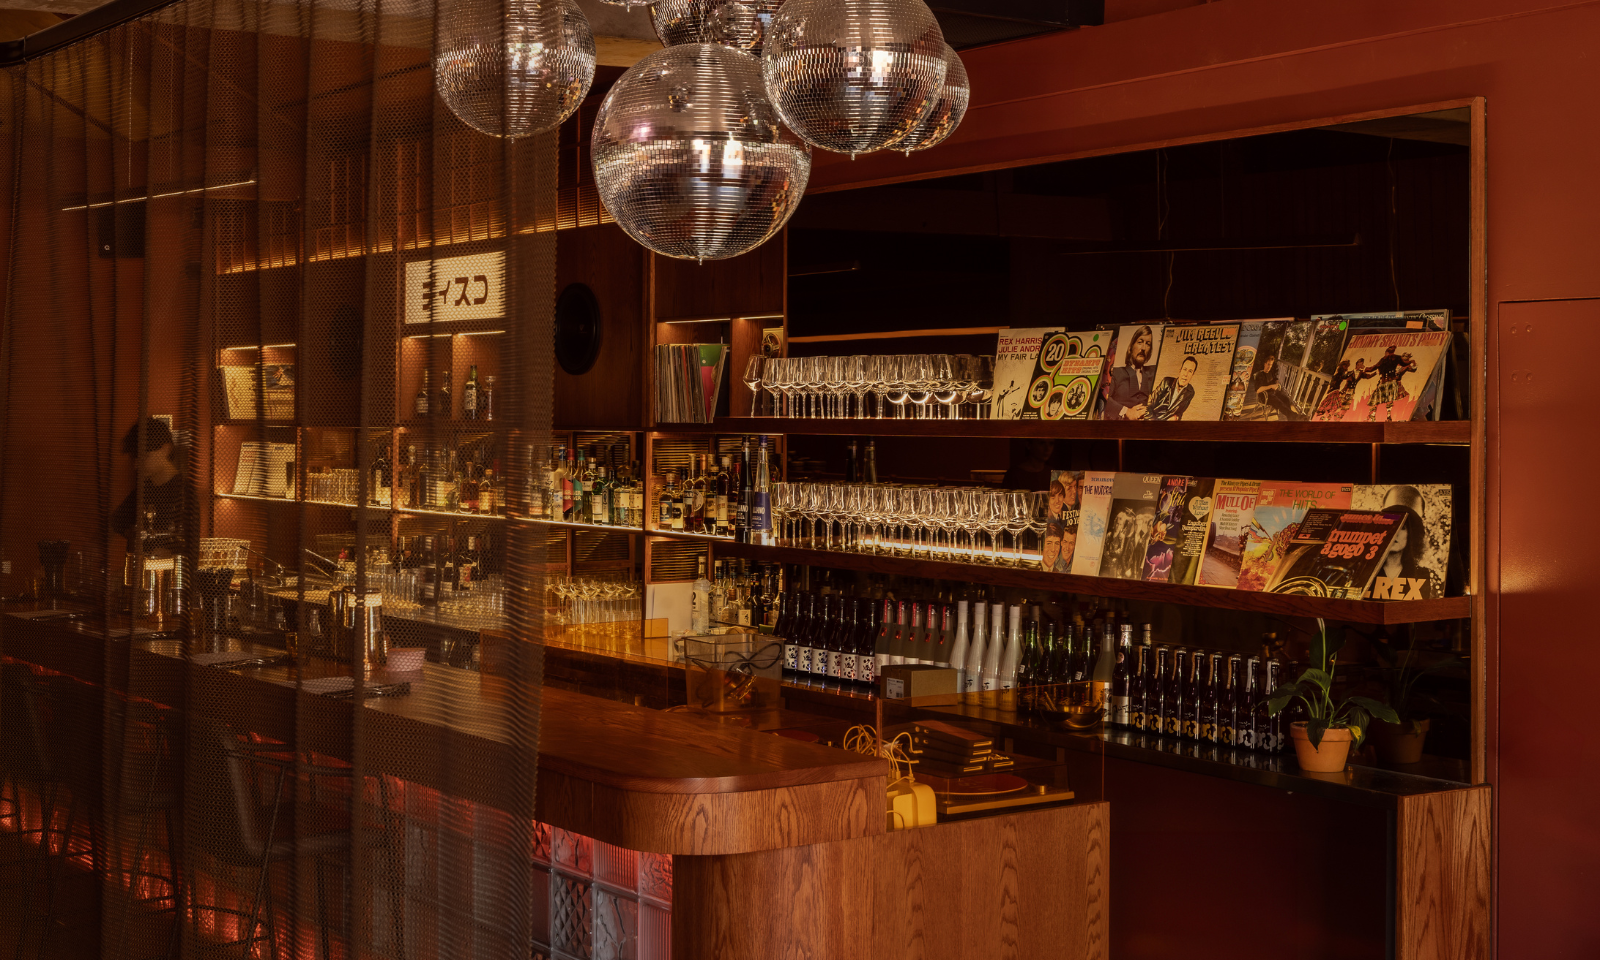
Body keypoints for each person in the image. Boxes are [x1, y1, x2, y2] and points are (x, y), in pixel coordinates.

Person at [112, 417, 185, 554]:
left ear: (165, 449)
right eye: (135, 458)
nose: (136, 465)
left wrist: (167, 552)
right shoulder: (144, 490)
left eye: (145, 456)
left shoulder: (183, 492)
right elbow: (116, 521)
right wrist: (133, 535)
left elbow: (189, 545)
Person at [1104, 325, 1157, 420]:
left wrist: (1151, 410)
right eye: (1140, 342)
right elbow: (1107, 399)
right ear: (1131, 346)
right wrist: (1126, 412)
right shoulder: (1117, 372)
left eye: (1148, 344)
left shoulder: (1154, 372)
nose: (1143, 348)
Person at [1364, 345, 1418, 422]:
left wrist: (1412, 363)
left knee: (1386, 399)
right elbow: (1373, 368)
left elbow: (1373, 368)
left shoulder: (1393, 359)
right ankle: (1373, 416)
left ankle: (1387, 417)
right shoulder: (1388, 359)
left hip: (1390, 382)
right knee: (1377, 399)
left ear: (1387, 352)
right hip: (1385, 382)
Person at [1145, 355, 1199, 421]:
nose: (1186, 374)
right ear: (1180, 370)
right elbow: (1148, 403)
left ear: (1193, 374)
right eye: (1185, 369)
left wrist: (1176, 418)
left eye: (1190, 371)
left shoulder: (1190, 392)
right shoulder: (1166, 382)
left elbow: (1180, 412)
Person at [1252, 351, 1300, 420]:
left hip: (1273, 393)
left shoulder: (1271, 373)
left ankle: (1291, 418)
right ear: (1264, 364)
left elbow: (1275, 379)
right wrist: (1271, 386)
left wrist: (1276, 383)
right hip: (1265, 396)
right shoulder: (1260, 375)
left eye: (1271, 365)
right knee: (1279, 403)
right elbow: (1258, 390)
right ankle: (1295, 416)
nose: (1269, 366)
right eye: (1268, 364)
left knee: (1286, 399)